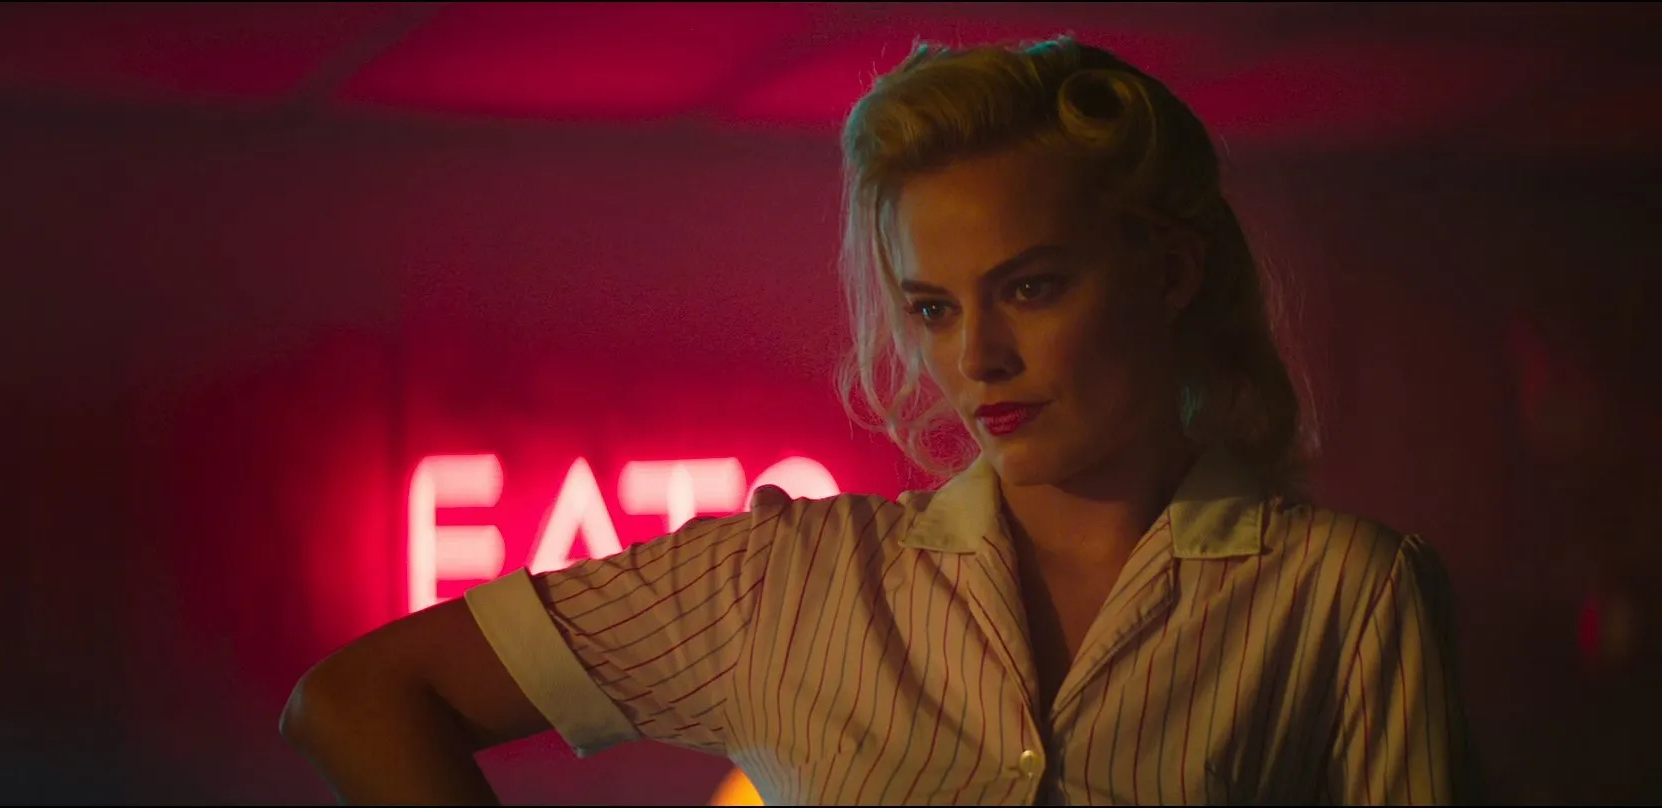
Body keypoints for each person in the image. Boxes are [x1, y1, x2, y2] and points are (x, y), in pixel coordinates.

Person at [279, 36, 1478, 805]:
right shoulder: (787, 581)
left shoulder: (1345, 592)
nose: (977, 358)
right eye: (934, 307)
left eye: (1032, 287)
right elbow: (357, 698)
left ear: (1168, 272)